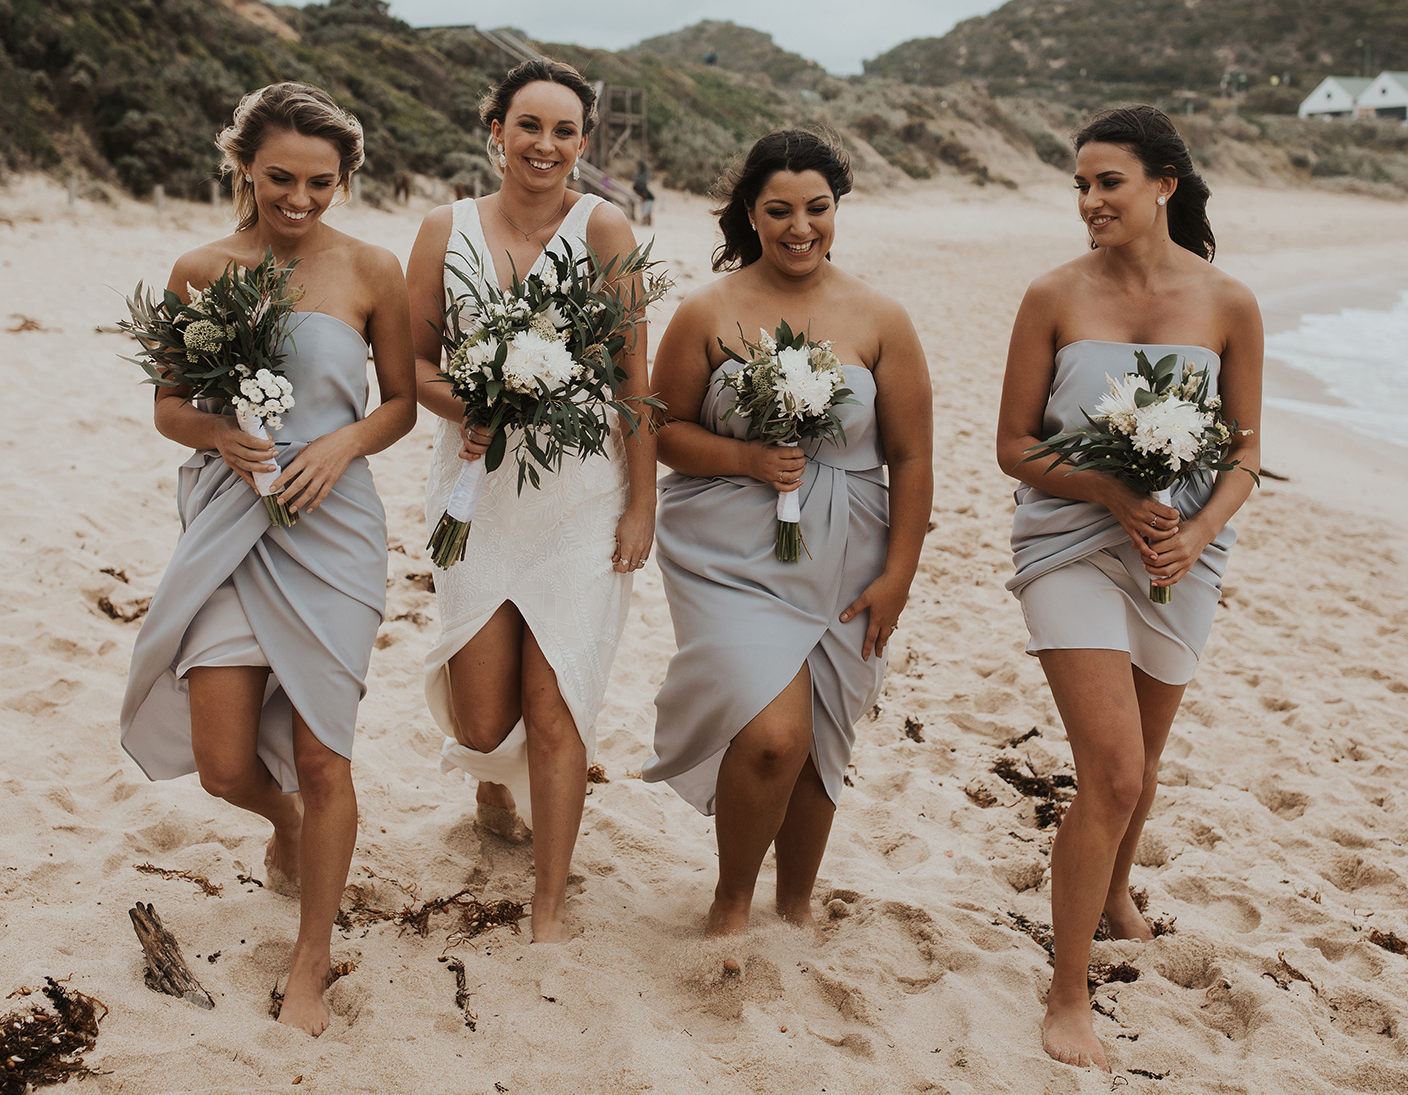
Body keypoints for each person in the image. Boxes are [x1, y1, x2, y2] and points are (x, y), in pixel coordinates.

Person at [120, 82, 417, 1036]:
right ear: (244, 164)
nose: (299, 198)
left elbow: (401, 403)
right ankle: (285, 827)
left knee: (326, 752)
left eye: (321, 182)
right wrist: (220, 435)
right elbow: (169, 408)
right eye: (281, 177)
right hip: (230, 518)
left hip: (333, 529)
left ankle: (312, 955)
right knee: (220, 763)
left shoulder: (373, 268)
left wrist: (342, 445)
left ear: (345, 178)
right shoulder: (200, 268)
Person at [994, 104, 1262, 1071]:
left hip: (1177, 555)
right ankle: (1069, 998)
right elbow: (1014, 445)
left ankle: (1113, 894)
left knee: (1141, 763)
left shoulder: (1228, 302)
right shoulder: (1053, 295)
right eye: (1080, 185)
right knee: (1110, 769)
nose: (1089, 201)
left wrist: (1194, 533)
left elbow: (1244, 455)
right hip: (1069, 539)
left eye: (1107, 182)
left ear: (1165, 183)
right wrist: (1108, 485)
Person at [641, 129, 933, 955]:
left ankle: (796, 903)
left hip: (851, 546)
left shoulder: (880, 317)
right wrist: (749, 457)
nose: (800, 226)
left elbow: (912, 457)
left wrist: (899, 575)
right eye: (779, 210)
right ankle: (732, 901)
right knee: (772, 734)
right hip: (725, 544)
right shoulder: (708, 309)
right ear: (750, 213)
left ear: (838, 209)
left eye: (817, 208)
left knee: (823, 733)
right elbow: (661, 431)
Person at [406, 58, 657, 943]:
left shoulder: (605, 227)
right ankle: (487, 775)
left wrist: (642, 504)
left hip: (583, 496)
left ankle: (549, 904)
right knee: (484, 716)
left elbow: (634, 375)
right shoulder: (443, 228)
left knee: (558, 704)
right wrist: (466, 405)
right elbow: (413, 367)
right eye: (528, 126)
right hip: (477, 491)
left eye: (563, 130)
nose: (544, 144)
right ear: (496, 132)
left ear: (584, 143)